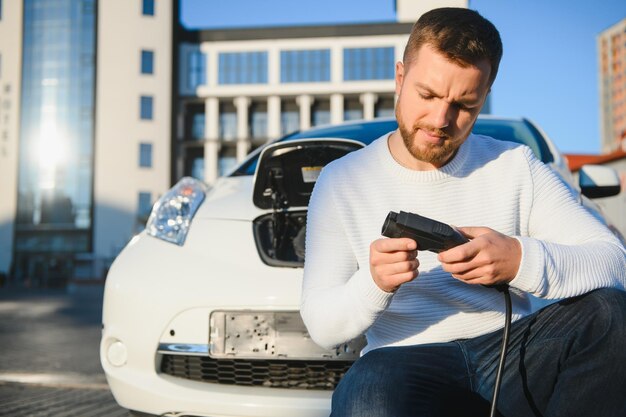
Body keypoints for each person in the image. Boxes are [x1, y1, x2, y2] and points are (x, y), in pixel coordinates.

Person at [301, 7, 626, 417]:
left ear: (485, 96)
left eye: (464, 104)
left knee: (610, 317)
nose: (441, 120)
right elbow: (321, 326)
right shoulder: (341, 180)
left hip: (512, 353)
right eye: (428, 95)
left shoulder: (517, 165)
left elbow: (615, 262)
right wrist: (374, 283)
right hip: (401, 363)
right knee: (368, 395)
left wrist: (519, 259)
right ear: (400, 78)